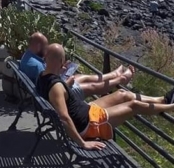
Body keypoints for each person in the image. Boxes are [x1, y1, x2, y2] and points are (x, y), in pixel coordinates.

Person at [37, 43, 174, 150]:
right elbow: (64, 117)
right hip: (88, 125)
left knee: (122, 94)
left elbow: (60, 94)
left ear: (46, 58)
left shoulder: (43, 77)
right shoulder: (56, 87)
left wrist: (63, 78)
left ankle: (162, 100)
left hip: (85, 111)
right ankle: (170, 107)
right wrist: (83, 143)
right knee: (134, 106)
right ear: (62, 60)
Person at [20, 33, 132, 100]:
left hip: (48, 92)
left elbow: (48, 79)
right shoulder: (36, 66)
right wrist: (68, 82)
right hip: (54, 99)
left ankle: (113, 75)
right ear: (39, 46)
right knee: (92, 86)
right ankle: (120, 80)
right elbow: (52, 87)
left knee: (83, 77)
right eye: (45, 47)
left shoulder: (29, 58)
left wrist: (59, 70)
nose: (45, 52)